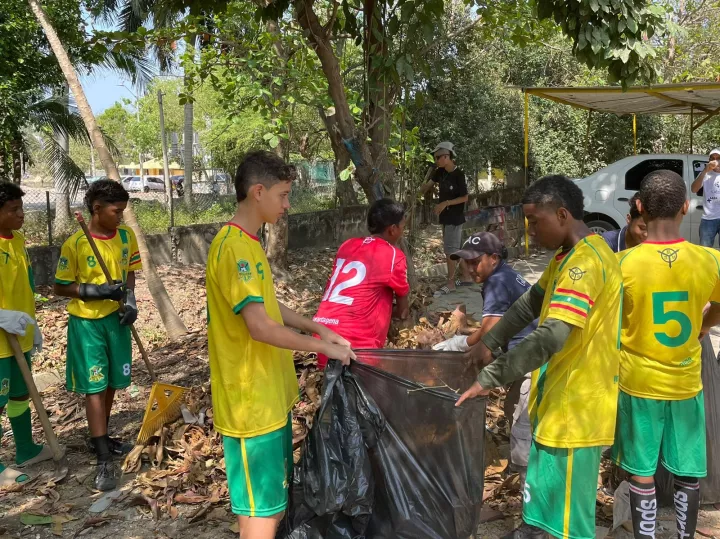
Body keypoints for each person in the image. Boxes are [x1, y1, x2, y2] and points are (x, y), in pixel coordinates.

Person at [456, 175, 623, 539]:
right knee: (546, 514)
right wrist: (490, 341)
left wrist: (490, 377)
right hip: (558, 404)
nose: (530, 232)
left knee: (569, 524)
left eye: (535, 222)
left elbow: (551, 336)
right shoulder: (566, 257)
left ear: (562, 215)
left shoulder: (585, 264)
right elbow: (529, 303)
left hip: (576, 410)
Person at [205, 150, 355, 539]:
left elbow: (267, 305)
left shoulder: (249, 242)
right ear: (258, 192)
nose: (288, 205)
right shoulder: (233, 248)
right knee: (263, 513)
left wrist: (316, 327)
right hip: (250, 405)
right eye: (283, 195)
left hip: (269, 398)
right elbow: (259, 327)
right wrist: (322, 348)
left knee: (269, 506)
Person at [612, 169, 720, 539]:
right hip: (686, 383)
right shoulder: (710, 260)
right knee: (687, 470)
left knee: (641, 471)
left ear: (639, 207)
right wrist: (703, 324)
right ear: (686, 207)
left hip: (638, 384)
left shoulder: (621, 264)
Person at [54, 180, 141, 491]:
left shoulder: (126, 237)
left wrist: (131, 301)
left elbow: (129, 272)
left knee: (113, 383)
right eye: (116, 211)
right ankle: (103, 458)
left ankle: (100, 436)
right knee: (95, 385)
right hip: (88, 324)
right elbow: (61, 286)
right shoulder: (76, 243)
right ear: (96, 209)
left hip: (116, 320)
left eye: (123, 211)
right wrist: (95, 291)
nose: (121, 216)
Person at [432, 231, 537, 480]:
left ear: (493, 258)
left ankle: (525, 479)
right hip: (526, 355)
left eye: (475, 261)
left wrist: (460, 344)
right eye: (467, 262)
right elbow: (494, 326)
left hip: (532, 358)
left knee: (522, 421)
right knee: (513, 406)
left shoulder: (497, 282)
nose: (470, 268)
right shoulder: (505, 275)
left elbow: (490, 333)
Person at [313, 198, 410, 369]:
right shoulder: (394, 255)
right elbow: (403, 312)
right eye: (403, 226)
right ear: (392, 229)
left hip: (322, 337)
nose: (403, 230)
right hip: (357, 346)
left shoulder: (347, 245)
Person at [0, 182, 51, 487]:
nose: (21, 214)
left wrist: (33, 324)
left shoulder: (17, 239)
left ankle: (26, 449)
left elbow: (25, 285)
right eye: (13, 210)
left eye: (21, 208)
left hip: (19, 334)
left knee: (21, 394)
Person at [419, 141, 472, 296]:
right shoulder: (440, 172)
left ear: (446, 157)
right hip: (445, 217)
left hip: (454, 218)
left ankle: (451, 283)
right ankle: (467, 277)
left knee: (450, 251)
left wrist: (446, 203)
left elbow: (465, 197)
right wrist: (418, 192)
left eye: (438, 158)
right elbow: (428, 185)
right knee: (456, 249)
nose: (436, 161)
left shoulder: (459, 174)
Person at [691, 148, 720, 247]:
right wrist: (705, 170)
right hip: (708, 219)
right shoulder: (705, 174)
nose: (715, 160)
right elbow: (694, 189)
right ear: (709, 160)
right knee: (705, 249)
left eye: (718, 158)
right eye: (712, 158)